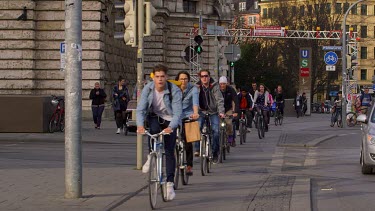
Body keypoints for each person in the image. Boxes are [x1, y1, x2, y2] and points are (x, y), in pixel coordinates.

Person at [136, 64, 182, 201]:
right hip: (155, 116)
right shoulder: (148, 88)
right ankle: (151, 156)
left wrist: (171, 127)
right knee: (153, 130)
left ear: (166, 77)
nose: (160, 79)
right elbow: (141, 109)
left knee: (169, 150)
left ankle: (169, 184)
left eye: (162, 76)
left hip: (170, 119)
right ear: (153, 77)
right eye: (157, 77)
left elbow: (178, 112)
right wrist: (139, 125)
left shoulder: (174, 90)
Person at [195, 70, 225, 163]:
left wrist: (221, 112)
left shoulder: (214, 86)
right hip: (201, 111)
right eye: (202, 76)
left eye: (206, 76)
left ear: (209, 77)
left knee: (216, 131)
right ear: (200, 78)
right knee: (197, 127)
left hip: (213, 112)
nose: (204, 78)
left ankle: (215, 152)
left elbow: (219, 100)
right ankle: (197, 149)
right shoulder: (196, 87)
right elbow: (193, 100)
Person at [175, 71, 199, 176]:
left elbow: (195, 102)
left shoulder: (193, 89)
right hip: (176, 114)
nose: (183, 81)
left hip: (188, 114)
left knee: (189, 142)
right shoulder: (173, 88)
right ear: (178, 80)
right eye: (181, 79)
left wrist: (195, 113)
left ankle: (189, 166)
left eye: (185, 79)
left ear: (188, 80)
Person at [219, 76, 239, 146]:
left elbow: (236, 100)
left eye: (224, 84)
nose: (222, 86)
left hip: (228, 109)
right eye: (221, 84)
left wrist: (236, 111)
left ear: (226, 84)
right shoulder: (217, 90)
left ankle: (230, 136)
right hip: (219, 110)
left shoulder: (231, 89)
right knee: (217, 125)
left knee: (229, 123)